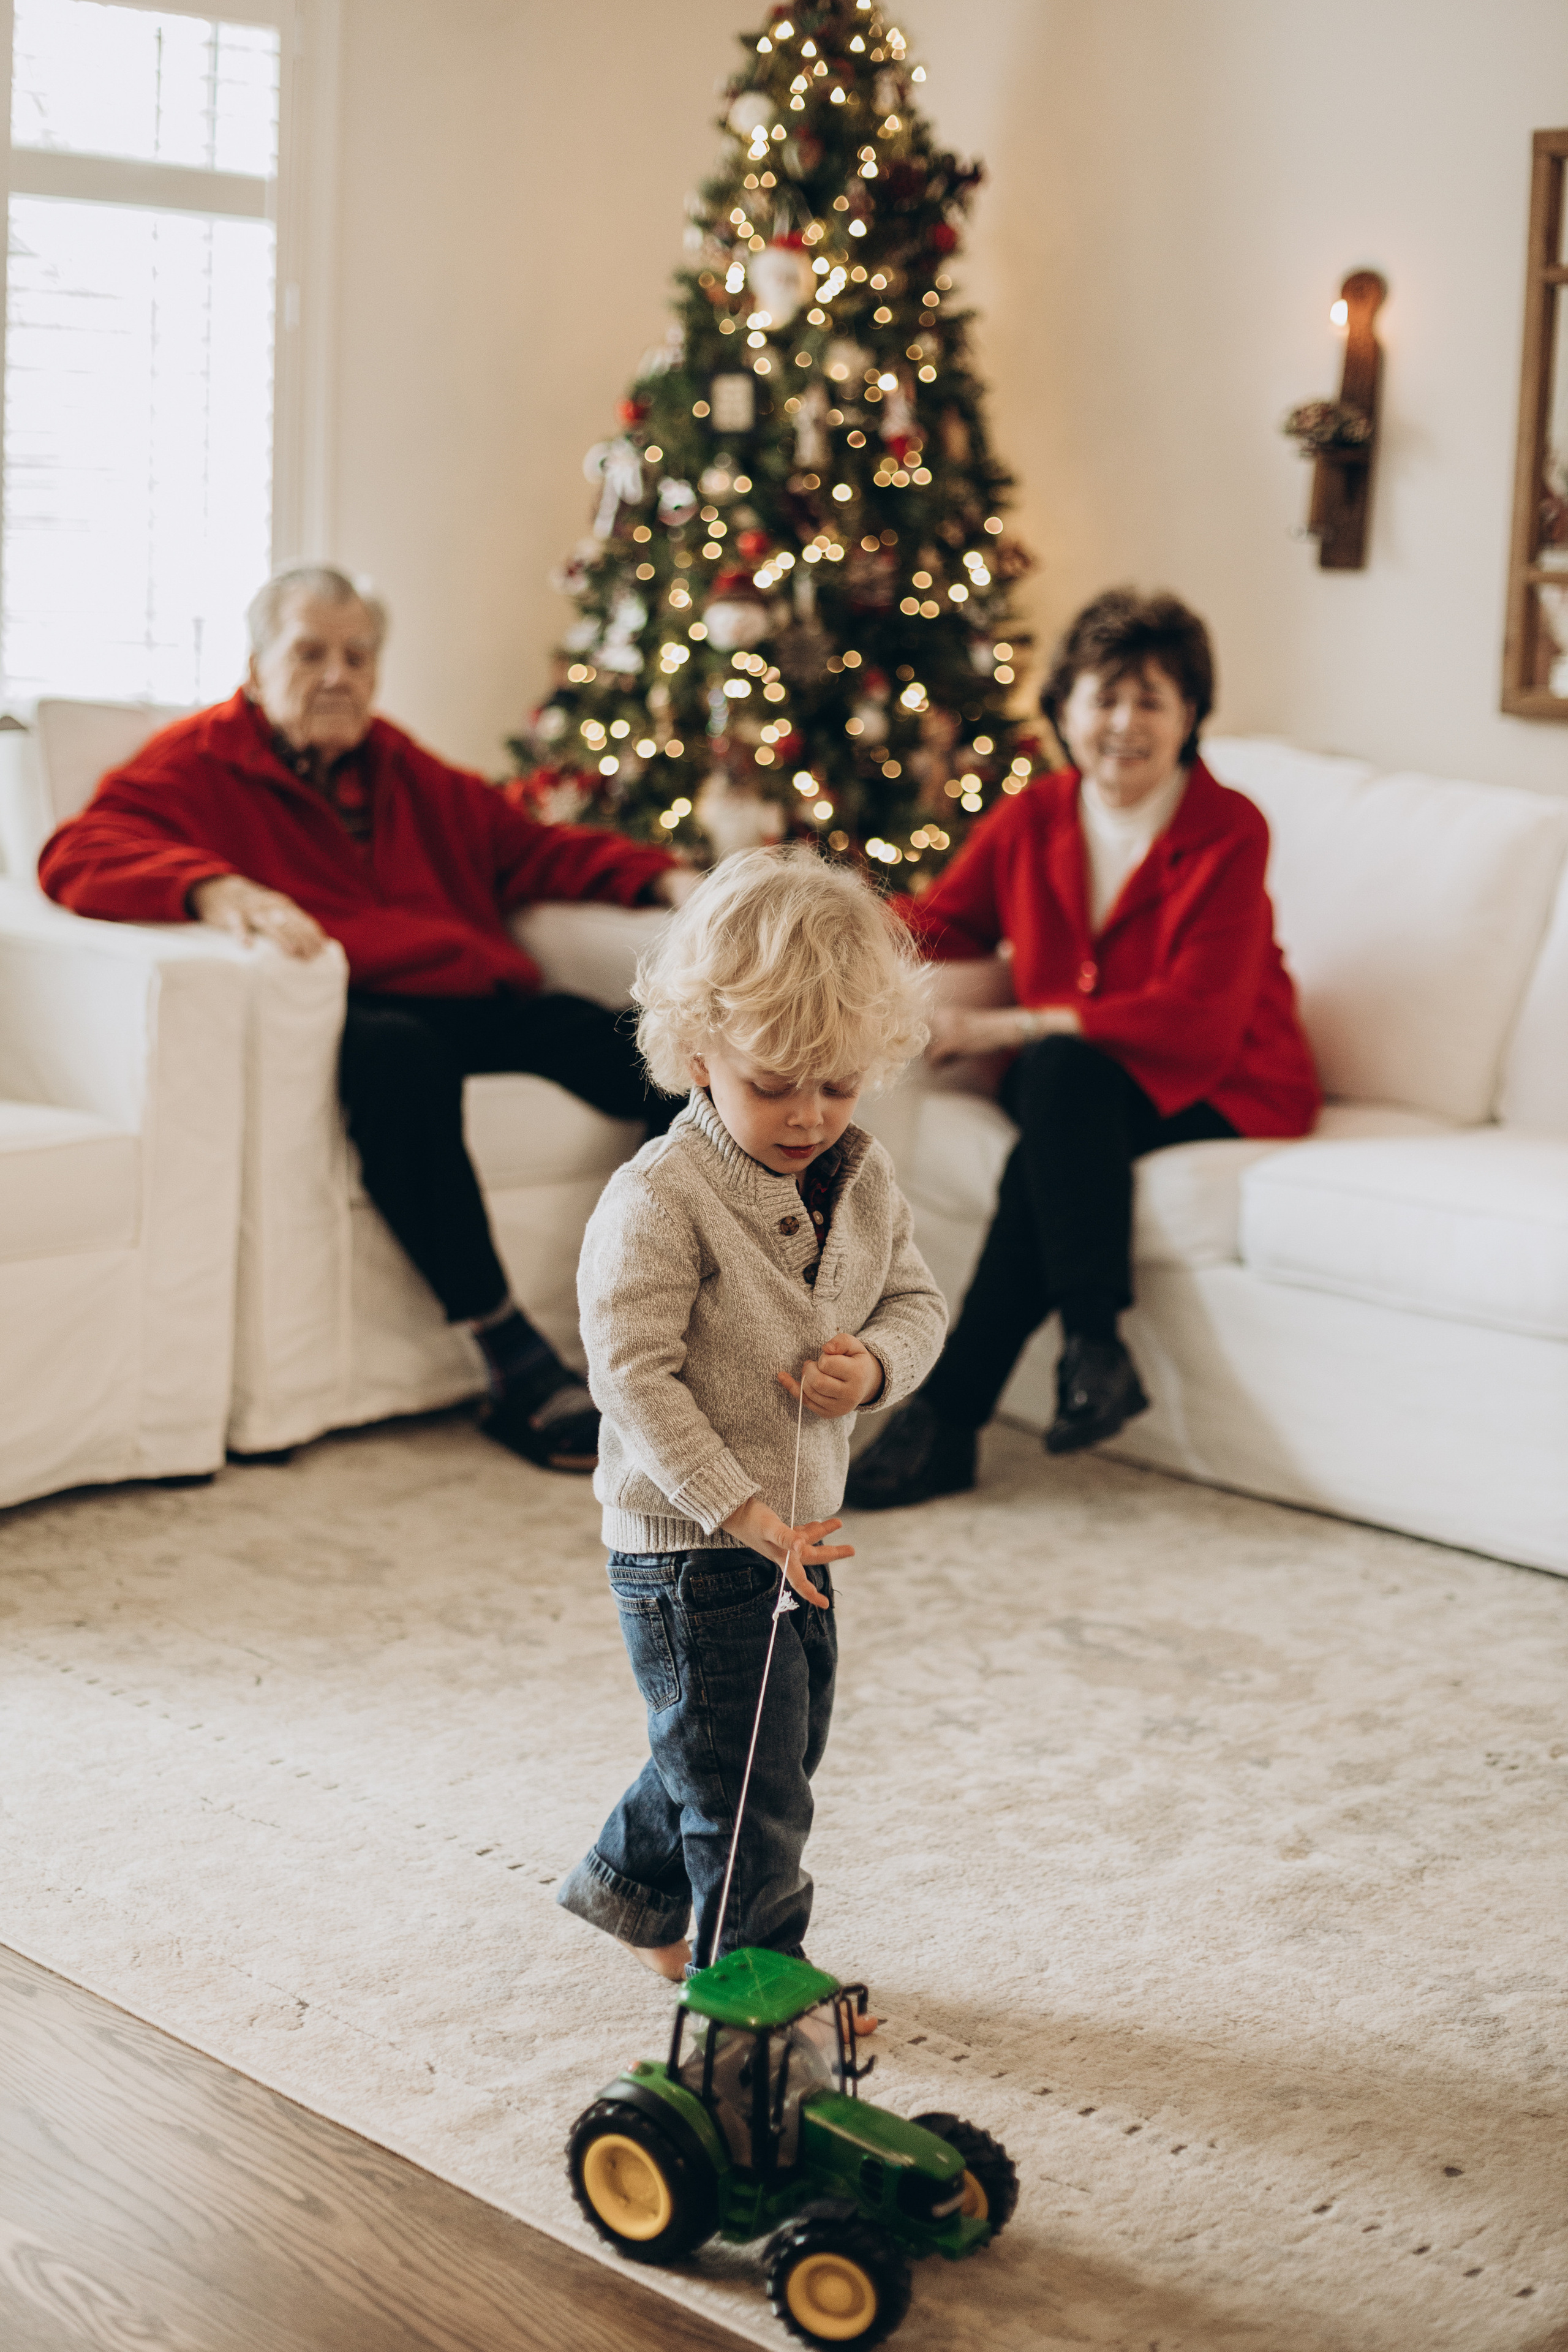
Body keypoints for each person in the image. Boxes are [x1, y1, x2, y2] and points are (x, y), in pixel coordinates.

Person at [37, 564, 698, 1472]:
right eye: (309, 653)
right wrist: (211, 887)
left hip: (472, 991)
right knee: (398, 1060)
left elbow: (528, 848)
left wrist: (662, 878)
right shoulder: (199, 763)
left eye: (358, 655)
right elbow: (76, 852)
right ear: (257, 663)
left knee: (666, 1055)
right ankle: (507, 1351)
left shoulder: (402, 765)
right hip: (357, 1005)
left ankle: (653, 1316)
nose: (337, 675)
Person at [555, 847, 946, 1981]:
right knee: (754, 1795)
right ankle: (753, 1993)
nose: (807, 1115)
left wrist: (873, 1367)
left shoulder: (861, 1181)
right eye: (773, 1083)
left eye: (836, 1082)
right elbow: (632, 1375)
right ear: (696, 1054)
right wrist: (737, 1509)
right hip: (690, 1550)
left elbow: (917, 1302)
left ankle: (630, 1891)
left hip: (800, 1535)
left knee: (757, 1744)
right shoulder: (660, 1199)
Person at [846, 587, 1321, 1512]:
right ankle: (1092, 1349)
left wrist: (1015, 1025)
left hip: (1228, 1078)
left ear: (1191, 718)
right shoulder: (1036, 817)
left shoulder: (1229, 828)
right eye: (1103, 696)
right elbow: (943, 923)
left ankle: (952, 1416)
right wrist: (842, 916)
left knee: (1051, 1105)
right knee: (1062, 1092)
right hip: (1089, 1083)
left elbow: (1197, 1021)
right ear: (1065, 710)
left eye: (1152, 700)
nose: (1123, 723)